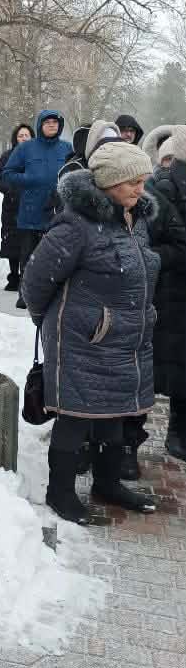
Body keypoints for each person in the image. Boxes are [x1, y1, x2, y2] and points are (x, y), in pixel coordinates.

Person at [22, 142, 160, 524]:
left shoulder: (136, 219)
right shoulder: (76, 225)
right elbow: (36, 282)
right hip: (83, 339)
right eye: (131, 181)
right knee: (76, 416)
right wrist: (57, 323)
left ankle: (107, 484)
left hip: (126, 339)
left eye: (143, 180)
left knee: (114, 415)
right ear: (108, 183)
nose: (139, 189)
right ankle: (60, 494)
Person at [142, 123, 186, 461]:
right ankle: (130, 439)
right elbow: (149, 244)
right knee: (152, 366)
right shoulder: (156, 191)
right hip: (165, 291)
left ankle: (178, 432)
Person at [0, 110, 72, 308]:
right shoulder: (26, 148)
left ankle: (50, 296)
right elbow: (8, 173)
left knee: (54, 256)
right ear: (40, 125)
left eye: (55, 122)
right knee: (29, 257)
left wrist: (63, 190)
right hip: (31, 210)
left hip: (57, 212)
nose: (51, 125)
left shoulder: (67, 148)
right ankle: (25, 294)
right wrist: (29, 180)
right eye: (47, 122)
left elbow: (75, 173)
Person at [0, 123, 34, 291]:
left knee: (29, 242)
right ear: (15, 138)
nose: (23, 138)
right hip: (12, 206)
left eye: (26, 135)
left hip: (32, 206)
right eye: (20, 136)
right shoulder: (7, 156)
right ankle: (13, 276)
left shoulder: (36, 157)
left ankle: (27, 278)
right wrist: (10, 190)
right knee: (12, 241)